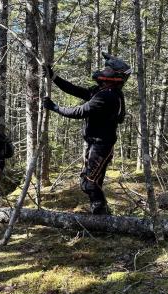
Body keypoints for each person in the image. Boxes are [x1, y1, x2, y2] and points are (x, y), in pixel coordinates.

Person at [42, 52, 131, 215]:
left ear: (116, 75)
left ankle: (102, 215)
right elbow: (75, 90)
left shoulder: (108, 96)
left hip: (101, 146)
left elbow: (79, 111)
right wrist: (53, 77)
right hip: (94, 143)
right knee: (91, 182)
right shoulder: (102, 90)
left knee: (89, 183)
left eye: (108, 69)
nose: (104, 71)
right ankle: (99, 212)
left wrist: (55, 108)